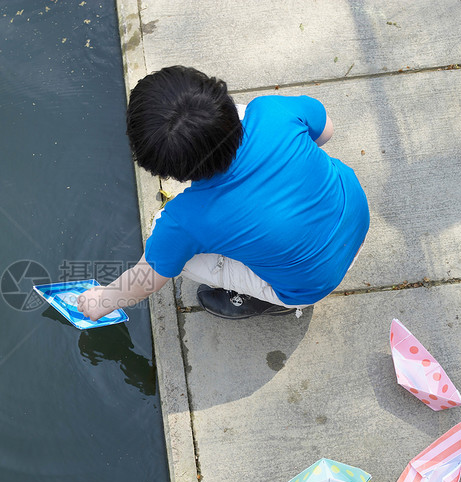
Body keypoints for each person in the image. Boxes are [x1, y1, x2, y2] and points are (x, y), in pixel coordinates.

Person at [76, 65, 369, 321]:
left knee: (172, 248)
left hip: (310, 284)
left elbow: (147, 280)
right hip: (355, 213)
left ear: (164, 170)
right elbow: (326, 131)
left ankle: (268, 301)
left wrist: (102, 301)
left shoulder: (185, 219)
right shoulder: (272, 110)